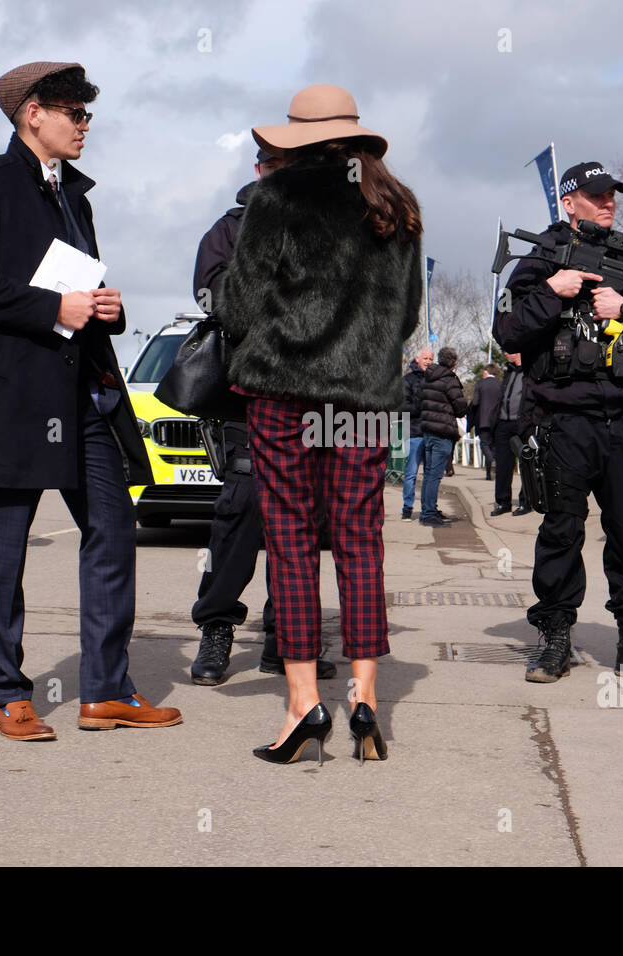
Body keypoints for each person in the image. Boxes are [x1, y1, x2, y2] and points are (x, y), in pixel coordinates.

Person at [0, 60, 180, 741]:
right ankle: (6, 694)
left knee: (113, 530)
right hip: (14, 394)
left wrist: (105, 306)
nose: (85, 126)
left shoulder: (77, 197)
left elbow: (81, 293)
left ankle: (104, 691)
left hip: (85, 394)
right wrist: (55, 306)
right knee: (3, 545)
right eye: (76, 113)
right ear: (31, 112)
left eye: (88, 115)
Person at [220, 84, 422, 765]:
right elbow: (407, 318)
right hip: (363, 400)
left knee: (292, 541)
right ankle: (365, 697)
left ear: (296, 139)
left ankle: (302, 705)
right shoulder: (397, 205)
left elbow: (241, 307)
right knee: (361, 540)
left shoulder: (276, 200)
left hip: (284, 393)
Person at [493, 161, 623, 685]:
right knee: (561, 530)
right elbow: (510, 332)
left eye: (612, 194)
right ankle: (556, 636)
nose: (608, 202)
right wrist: (552, 292)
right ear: (569, 202)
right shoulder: (541, 261)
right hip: (562, 420)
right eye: (596, 194)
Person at [188, 148, 336, 685]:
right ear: (259, 171)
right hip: (249, 398)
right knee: (241, 514)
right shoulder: (230, 228)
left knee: (301, 524)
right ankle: (217, 629)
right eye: (274, 166)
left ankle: (288, 641)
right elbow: (216, 296)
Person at [417, 347, 468, 527]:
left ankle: (427, 509)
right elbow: (461, 406)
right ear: (454, 363)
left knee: (429, 473)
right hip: (443, 430)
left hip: (428, 430)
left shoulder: (427, 377)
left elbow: (419, 401)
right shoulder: (449, 380)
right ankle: (429, 513)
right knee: (434, 475)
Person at [491, 352, 530, 516]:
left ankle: (526, 502)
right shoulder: (508, 371)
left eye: (508, 350)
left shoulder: (529, 370)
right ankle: (503, 502)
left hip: (522, 423)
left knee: (526, 465)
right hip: (503, 423)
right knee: (502, 466)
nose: (505, 353)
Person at [400, 347, 433, 520]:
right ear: (417, 359)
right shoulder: (407, 380)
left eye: (431, 358)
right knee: (411, 473)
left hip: (431, 432)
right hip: (413, 432)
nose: (428, 361)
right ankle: (407, 508)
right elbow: (402, 407)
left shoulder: (434, 378)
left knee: (430, 473)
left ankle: (427, 509)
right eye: (425, 358)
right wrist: (422, 407)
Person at [469, 363, 501, 480]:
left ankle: (492, 461)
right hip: (497, 421)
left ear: (486, 372)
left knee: (484, 444)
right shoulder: (500, 384)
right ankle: (490, 474)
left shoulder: (480, 384)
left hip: (483, 420)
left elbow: (476, 402)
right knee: (494, 446)